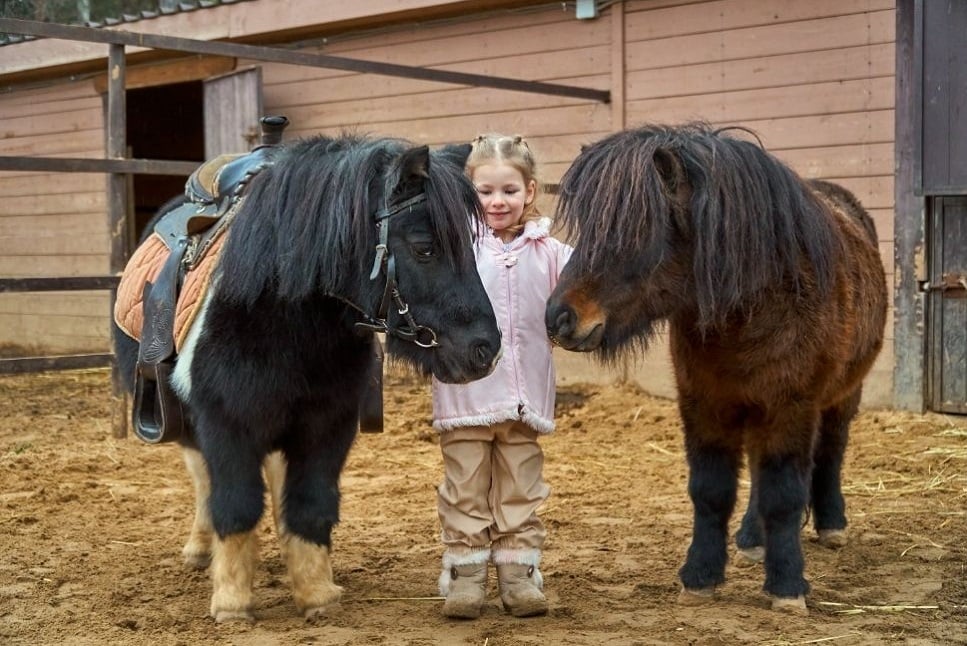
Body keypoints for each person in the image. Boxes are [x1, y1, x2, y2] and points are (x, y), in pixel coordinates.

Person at [431, 134, 573, 619]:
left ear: (530, 191)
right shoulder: (456, 251)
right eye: (485, 191)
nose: (497, 201)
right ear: (469, 193)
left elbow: (582, 291)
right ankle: (466, 575)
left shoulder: (552, 253)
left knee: (520, 487)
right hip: (466, 396)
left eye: (509, 191)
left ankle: (519, 575)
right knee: (465, 487)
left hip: (525, 399)